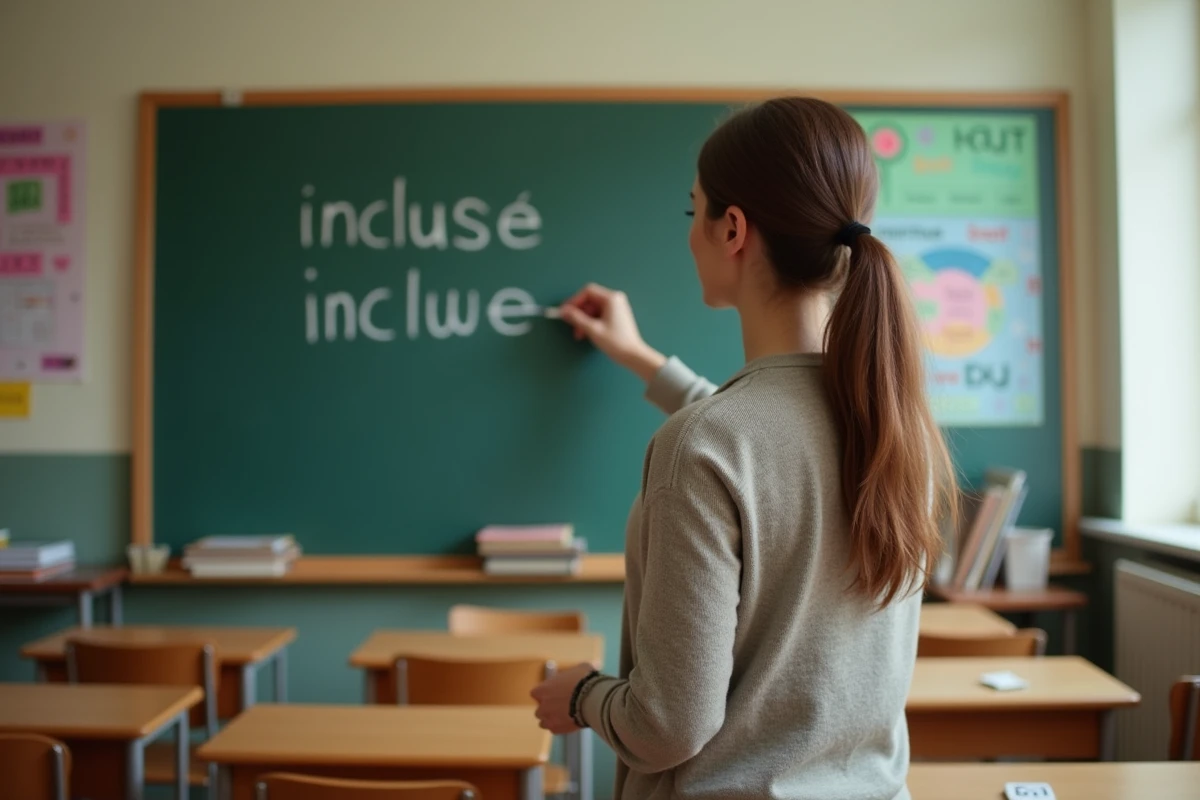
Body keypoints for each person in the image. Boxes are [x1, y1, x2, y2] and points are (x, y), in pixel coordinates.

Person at [531, 97, 956, 800]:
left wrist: (582, 696)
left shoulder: (703, 447)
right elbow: (766, 444)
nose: (689, 233)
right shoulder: (891, 423)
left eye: (692, 210)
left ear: (732, 228)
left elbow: (668, 726)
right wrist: (639, 358)